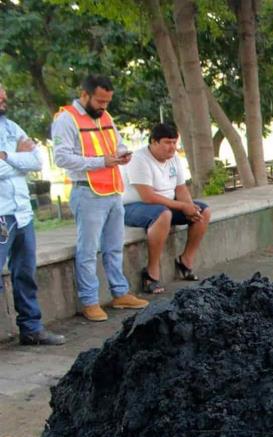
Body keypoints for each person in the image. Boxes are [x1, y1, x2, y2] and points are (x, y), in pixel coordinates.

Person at [52, 75, 148, 321]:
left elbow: (117, 143)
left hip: (113, 190)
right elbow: (62, 158)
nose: (104, 106)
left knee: (114, 247)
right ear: (84, 95)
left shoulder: (104, 116)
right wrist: (101, 162)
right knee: (88, 249)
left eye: (107, 101)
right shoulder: (66, 119)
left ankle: (120, 293)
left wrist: (122, 154)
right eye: (100, 100)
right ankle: (90, 301)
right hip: (87, 191)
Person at [0, 84, 66, 345]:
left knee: (25, 273)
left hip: (23, 214)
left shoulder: (11, 126)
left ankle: (31, 328)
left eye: (4, 92)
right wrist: (18, 159)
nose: (4, 97)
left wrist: (6, 156)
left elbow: (37, 162)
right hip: (1, 215)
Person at [122, 123, 210, 294]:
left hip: (166, 204)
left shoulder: (174, 159)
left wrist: (190, 207)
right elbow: (148, 197)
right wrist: (183, 206)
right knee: (163, 214)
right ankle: (151, 273)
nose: (172, 147)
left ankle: (185, 262)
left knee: (203, 211)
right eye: (167, 143)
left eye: (174, 142)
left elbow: (180, 188)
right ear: (154, 142)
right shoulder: (139, 159)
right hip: (134, 207)